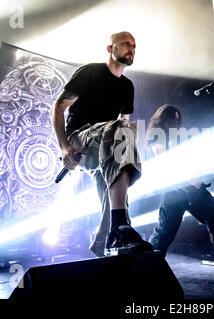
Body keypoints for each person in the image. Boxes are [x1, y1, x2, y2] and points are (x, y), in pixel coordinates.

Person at [50, 31, 153, 256]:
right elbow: (57, 107)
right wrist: (64, 147)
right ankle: (119, 228)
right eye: (126, 44)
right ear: (110, 49)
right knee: (121, 130)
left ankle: (106, 242)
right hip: (81, 140)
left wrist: (128, 149)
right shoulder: (90, 72)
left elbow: (124, 124)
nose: (131, 49)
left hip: (106, 145)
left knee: (117, 193)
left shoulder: (127, 87)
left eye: (134, 46)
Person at [146, 105, 214, 283]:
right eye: (172, 119)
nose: (176, 122)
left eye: (178, 119)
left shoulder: (177, 137)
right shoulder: (157, 134)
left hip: (192, 190)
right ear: (164, 119)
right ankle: (145, 271)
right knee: (164, 233)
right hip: (175, 191)